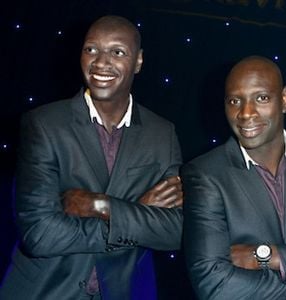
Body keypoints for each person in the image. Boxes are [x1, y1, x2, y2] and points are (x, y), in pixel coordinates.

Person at [0, 15, 183, 300]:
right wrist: (137, 212)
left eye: (117, 52)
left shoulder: (163, 134)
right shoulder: (44, 124)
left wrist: (102, 206)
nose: (100, 62)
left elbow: (174, 230)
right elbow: (40, 235)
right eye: (91, 49)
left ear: (138, 61)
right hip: (45, 292)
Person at [182, 55, 286, 299]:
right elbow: (214, 285)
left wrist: (268, 255)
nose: (246, 113)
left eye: (261, 98)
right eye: (235, 101)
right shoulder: (205, 174)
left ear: (285, 100)